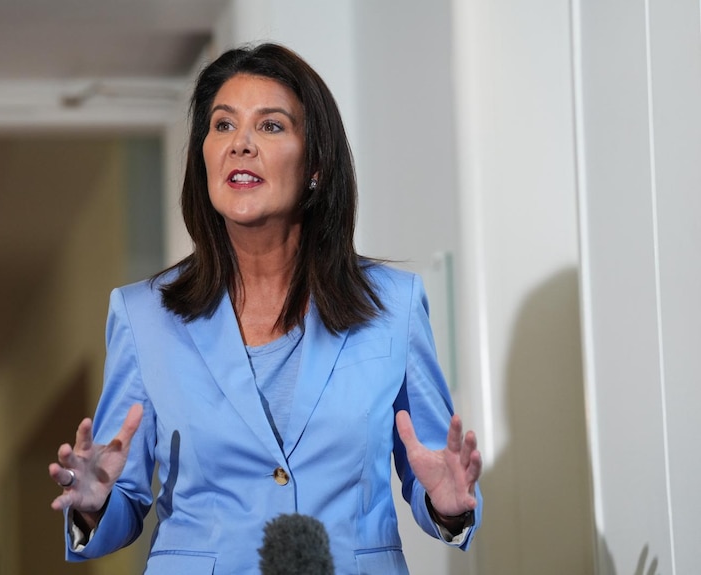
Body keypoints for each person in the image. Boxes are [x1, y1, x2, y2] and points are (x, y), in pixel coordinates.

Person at [49, 42, 483, 574]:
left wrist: (446, 504)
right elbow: (125, 500)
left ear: (316, 165)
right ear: (203, 155)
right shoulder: (143, 317)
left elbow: (433, 471)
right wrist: (94, 507)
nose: (241, 145)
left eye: (271, 126)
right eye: (223, 126)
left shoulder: (394, 304)